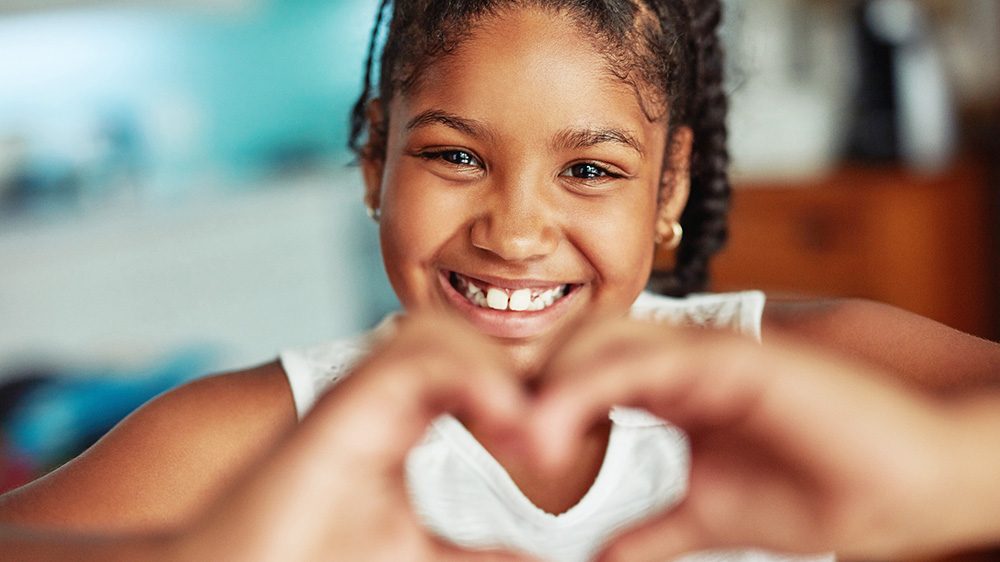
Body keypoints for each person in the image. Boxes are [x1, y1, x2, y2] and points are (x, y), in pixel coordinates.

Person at [1, 0, 998, 560]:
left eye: (591, 170)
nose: (516, 231)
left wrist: (952, 476)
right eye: (454, 156)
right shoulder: (253, 443)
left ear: (668, 189)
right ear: (372, 164)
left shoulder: (798, 373)